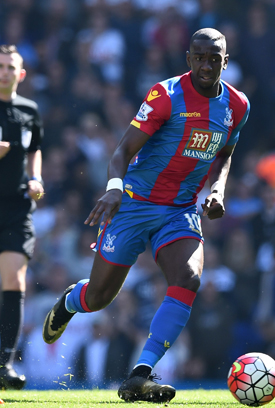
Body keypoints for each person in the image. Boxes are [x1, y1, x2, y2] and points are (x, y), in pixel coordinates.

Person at [43, 28, 250, 402]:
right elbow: (122, 151)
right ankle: (71, 301)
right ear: (188, 59)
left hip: (180, 209)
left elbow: (224, 154)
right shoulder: (165, 95)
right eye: (199, 57)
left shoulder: (237, 106)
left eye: (214, 58)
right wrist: (113, 188)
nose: (206, 65)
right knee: (100, 298)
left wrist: (217, 190)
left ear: (225, 61)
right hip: (135, 203)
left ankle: (140, 374)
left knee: (188, 278)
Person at [0, 45, 44, 389]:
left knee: (14, 282)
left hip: (16, 209)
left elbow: (35, 150)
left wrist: (36, 178)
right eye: (0, 66)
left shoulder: (29, 110)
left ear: (21, 73)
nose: (5, 72)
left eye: (11, 66)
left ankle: (4, 364)